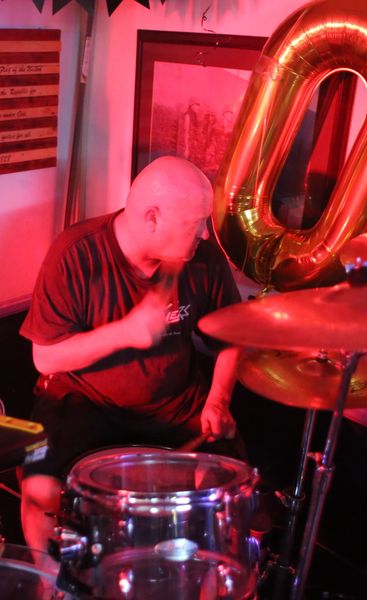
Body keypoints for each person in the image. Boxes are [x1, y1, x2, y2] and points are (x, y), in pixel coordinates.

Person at [18, 156, 245, 559]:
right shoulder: (74, 253)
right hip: (83, 399)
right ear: (152, 218)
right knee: (39, 491)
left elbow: (233, 337)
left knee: (224, 497)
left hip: (176, 404)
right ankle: (51, 583)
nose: (205, 233)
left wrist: (218, 400)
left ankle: (202, 578)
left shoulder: (204, 259)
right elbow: (45, 359)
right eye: (195, 223)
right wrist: (124, 332)